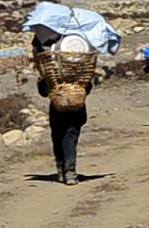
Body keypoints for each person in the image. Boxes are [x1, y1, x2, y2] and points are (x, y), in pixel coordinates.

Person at [33, 32, 92, 185]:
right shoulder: (81, 66)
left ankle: (63, 169)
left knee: (58, 138)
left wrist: (46, 80)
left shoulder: (50, 68)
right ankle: (69, 171)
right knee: (70, 138)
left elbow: (43, 92)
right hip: (77, 108)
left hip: (57, 109)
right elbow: (88, 87)